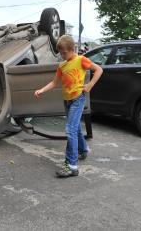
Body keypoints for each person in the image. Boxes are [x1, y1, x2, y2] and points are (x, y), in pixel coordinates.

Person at [34, 35, 103, 178]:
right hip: (67, 101)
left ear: (72, 49)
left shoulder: (81, 60)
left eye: (65, 53)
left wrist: (89, 85)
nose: (62, 55)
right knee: (75, 127)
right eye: (61, 53)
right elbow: (54, 83)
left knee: (70, 129)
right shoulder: (62, 66)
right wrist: (41, 90)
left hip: (78, 98)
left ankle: (71, 165)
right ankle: (83, 150)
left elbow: (99, 70)